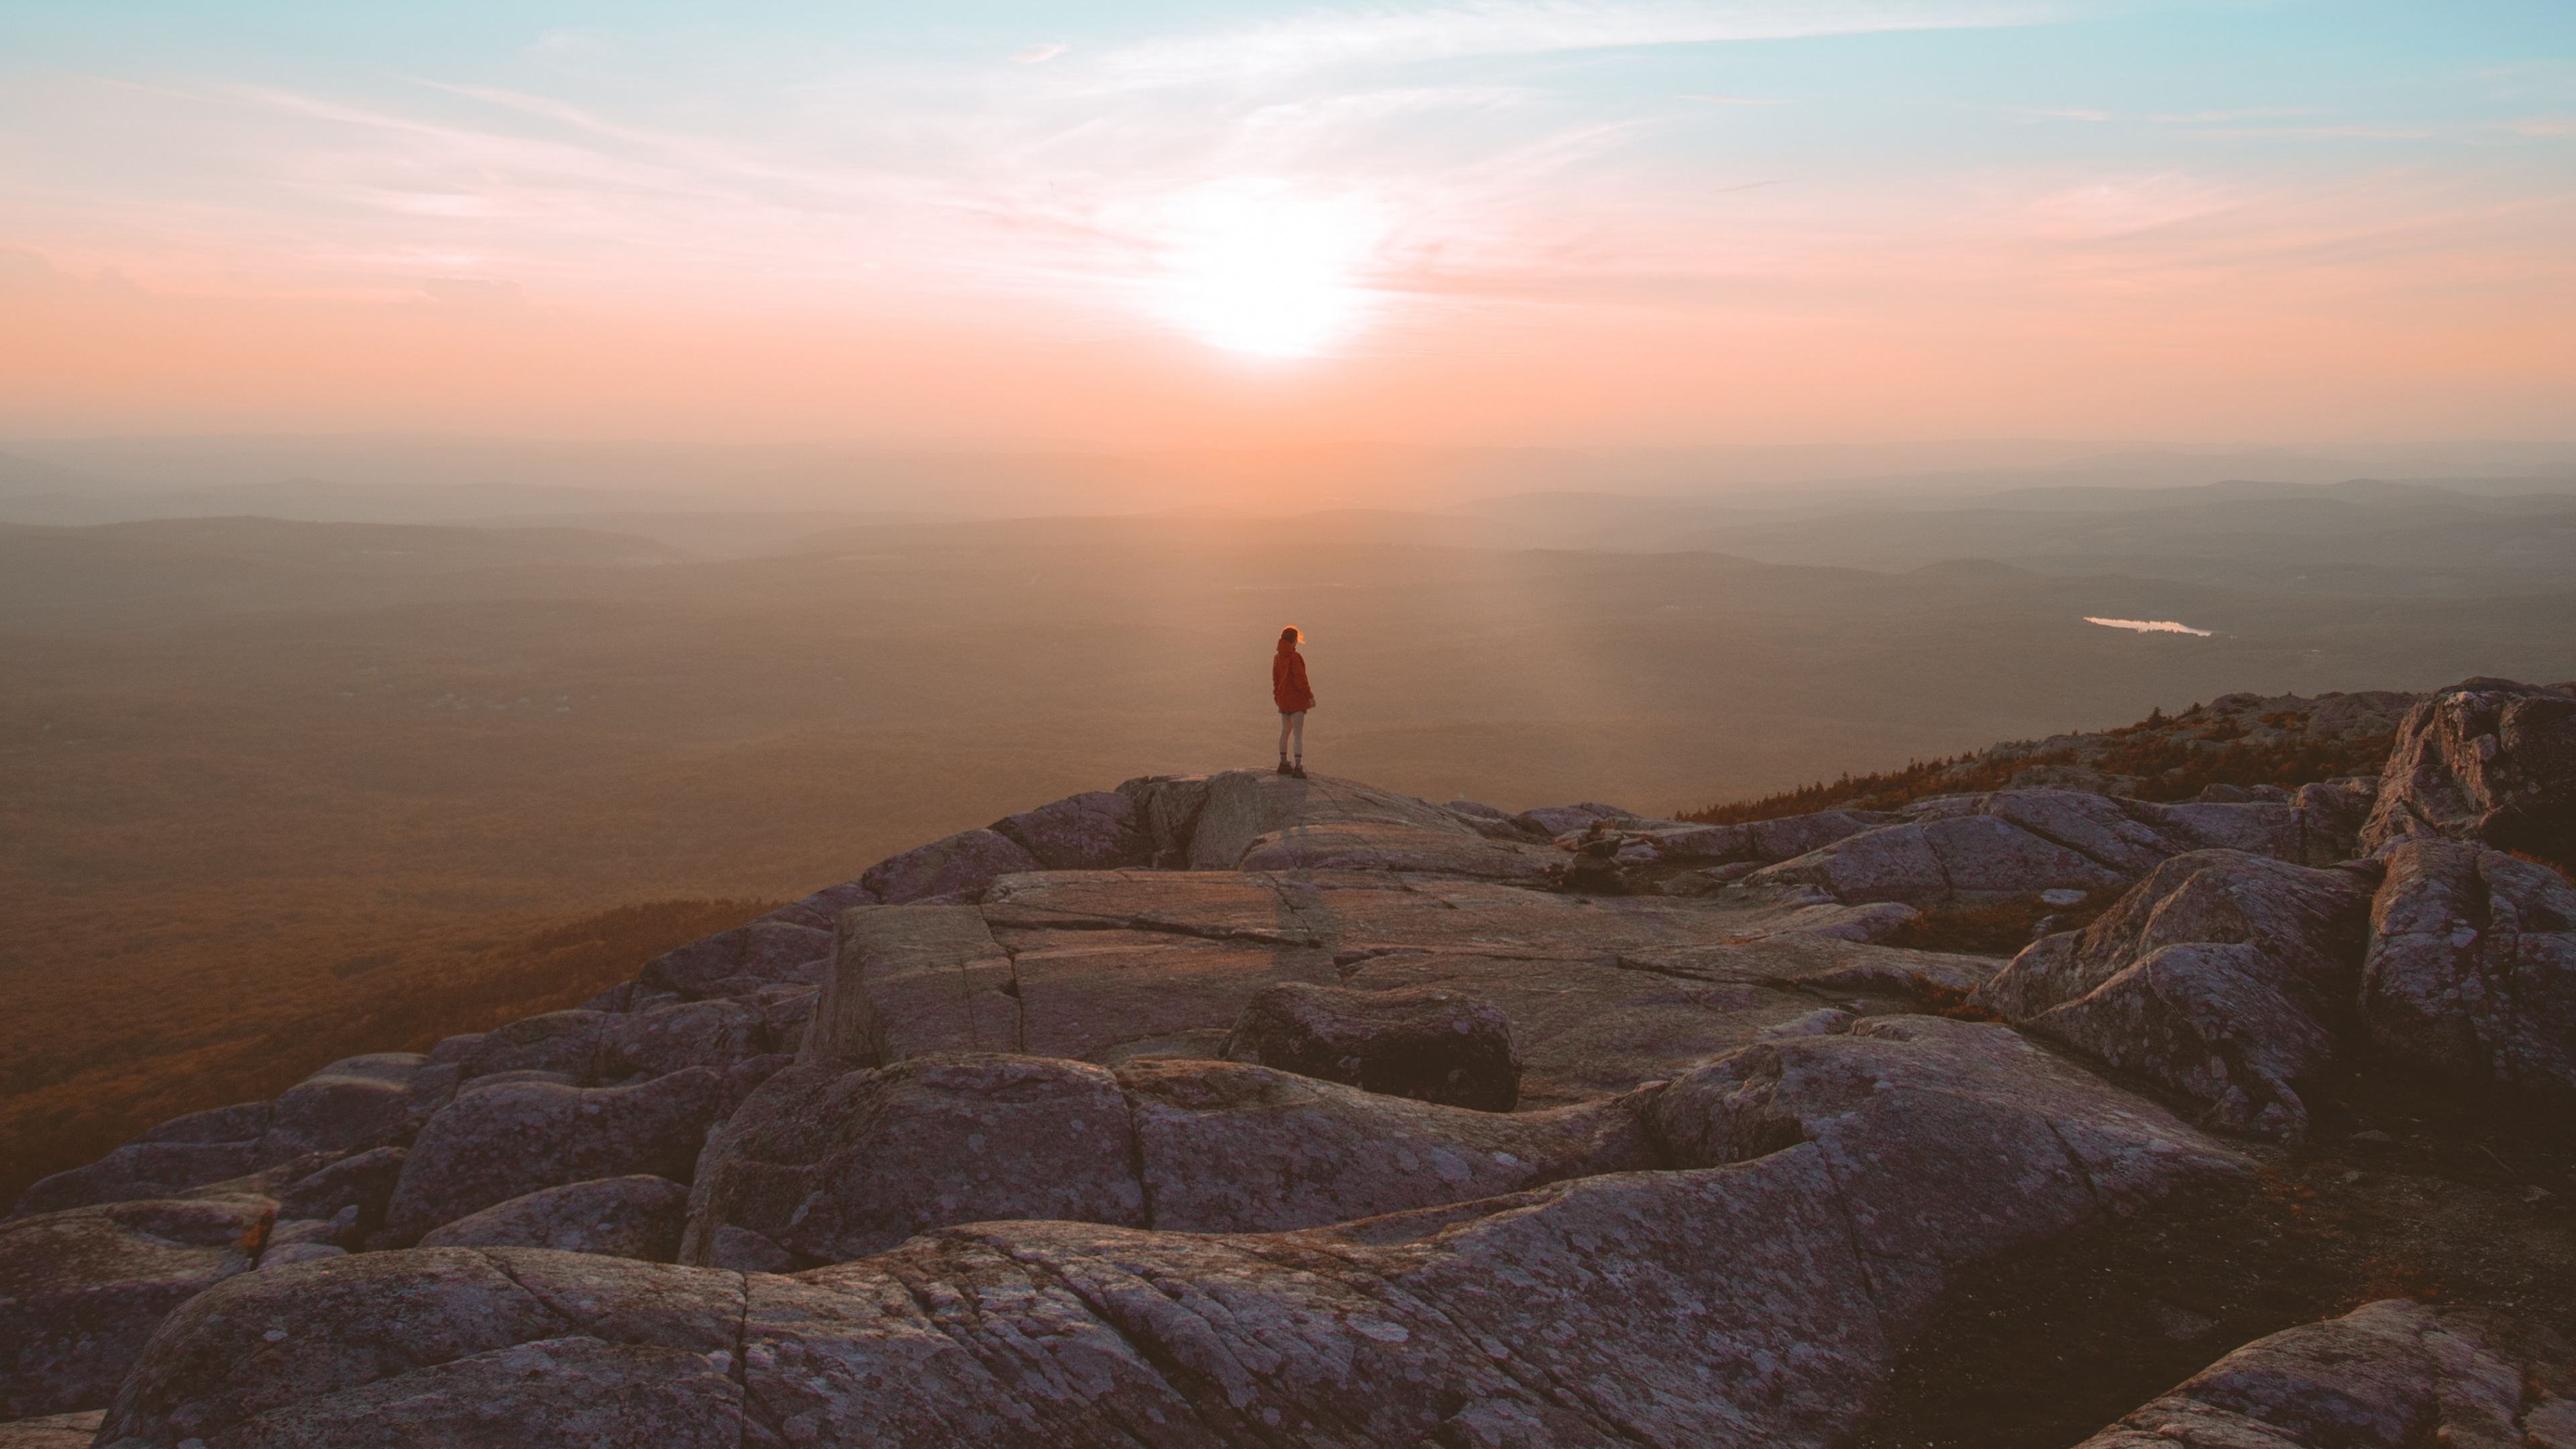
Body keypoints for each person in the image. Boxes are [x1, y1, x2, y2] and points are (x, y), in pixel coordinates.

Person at [1273, 626, 1314, 778]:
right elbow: (1300, 680)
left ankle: (1283, 763)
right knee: (1297, 735)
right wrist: (1309, 697)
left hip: (1283, 701)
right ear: (1294, 641)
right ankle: (1298, 768)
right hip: (1296, 701)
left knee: (1285, 731)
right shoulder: (1294, 658)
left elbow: (1275, 680)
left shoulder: (1277, 658)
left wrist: (1277, 697)